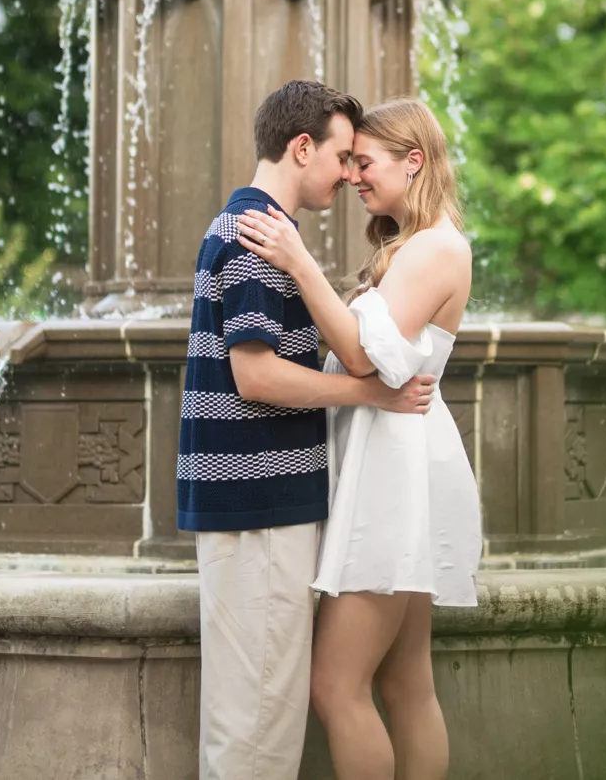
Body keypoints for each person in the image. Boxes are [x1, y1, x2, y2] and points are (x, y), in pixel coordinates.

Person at [177, 80, 437, 780]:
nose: (351, 173)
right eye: (344, 155)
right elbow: (255, 377)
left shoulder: (257, 229)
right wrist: (368, 392)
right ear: (301, 147)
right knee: (259, 723)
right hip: (259, 501)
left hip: (253, 498)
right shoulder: (256, 235)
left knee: (247, 716)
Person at [236, 96, 480, 780]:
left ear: (413, 160)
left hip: (393, 474)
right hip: (398, 456)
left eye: (364, 162)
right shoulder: (420, 245)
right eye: (348, 162)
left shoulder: (434, 247)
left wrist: (298, 259)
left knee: (336, 685)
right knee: (403, 683)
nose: (354, 177)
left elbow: (369, 358)